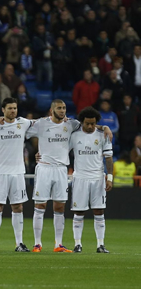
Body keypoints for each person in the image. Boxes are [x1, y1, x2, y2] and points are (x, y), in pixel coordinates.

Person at [26, 100, 112, 253]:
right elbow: (21, 129)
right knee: (40, 206)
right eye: (59, 108)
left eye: (64, 108)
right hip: (44, 167)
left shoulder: (71, 125)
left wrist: (105, 127)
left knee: (60, 207)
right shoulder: (41, 124)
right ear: (51, 110)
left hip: (61, 169)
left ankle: (58, 244)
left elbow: (89, 125)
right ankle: (37, 244)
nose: (62, 110)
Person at [0, 98, 31, 252]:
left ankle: (19, 243)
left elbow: (44, 124)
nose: (13, 111)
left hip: (18, 172)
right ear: (3, 109)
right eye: (9, 108)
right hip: (0, 172)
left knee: (18, 207)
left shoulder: (24, 123)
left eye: (15, 108)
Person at [69, 107, 113, 253]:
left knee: (99, 211)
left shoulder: (103, 135)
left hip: (97, 178)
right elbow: (62, 151)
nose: (90, 126)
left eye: (93, 124)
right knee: (79, 212)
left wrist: (110, 177)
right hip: (80, 177)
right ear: (82, 122)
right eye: (87, 123)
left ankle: (100, 245)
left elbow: (108, 158)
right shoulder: (74, 135)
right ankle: (78, 244)